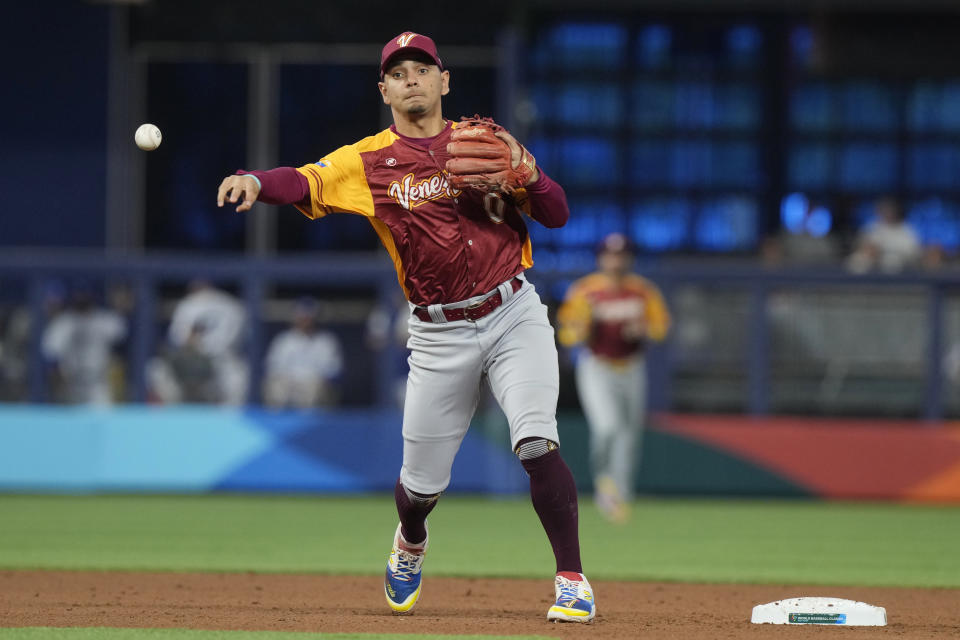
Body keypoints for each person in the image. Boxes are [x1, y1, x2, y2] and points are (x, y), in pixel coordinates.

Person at [216, 32, 595, 623]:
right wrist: (257, 181)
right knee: (419, 488)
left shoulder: (486, 143)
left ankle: (572, 580)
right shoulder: (366, 162)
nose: (411, 78)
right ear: (384, 89)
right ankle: (410, 540)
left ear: (445, 80)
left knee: (537, 441)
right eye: (399, 72)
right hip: (438, 334)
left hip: (513, 311)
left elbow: (558, 214)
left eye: (422, 68)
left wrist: (531, 174)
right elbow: (303, 180)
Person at [556, 233, 671, 523]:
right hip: (597, 365)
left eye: (621, 255)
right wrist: (586, 326)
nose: (616, 260)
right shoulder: (585, 291)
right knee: (607, 426)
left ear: (629, 258)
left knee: (629, 434)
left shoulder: (643, 291)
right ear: (601, 258)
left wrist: (644, 329)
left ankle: (621, 494)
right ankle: (605, 485)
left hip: (632, 365)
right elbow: (568, 334)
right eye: (610, 255)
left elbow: (661, 328)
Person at [167, 280, 248, 405]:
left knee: (239, 380)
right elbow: (179, 339)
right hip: (195, 359)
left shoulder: (190, 304)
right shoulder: (229, 303)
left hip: (222, 363)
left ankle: (228, 423)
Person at [41, 286, 126, 405]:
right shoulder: (64, 323)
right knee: (68, 421)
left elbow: (124, 336)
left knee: (103, 419)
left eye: (85, 296)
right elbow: (50, 352)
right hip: (71, 386)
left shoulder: (104, 320)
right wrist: (56, 375)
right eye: (79, 296)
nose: (82, 299)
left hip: (98, 384)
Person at [263, 298, 343, 409]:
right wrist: (291, 381)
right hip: (289, 383)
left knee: (313, 389)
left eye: (308, 316)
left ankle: (311, 425)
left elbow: (334, 371)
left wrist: (313, 380)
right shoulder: (284, 340)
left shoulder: (326, 341)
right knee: (277, 388)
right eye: (302, 316)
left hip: (314, 384)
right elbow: (273, 367)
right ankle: (276, 424)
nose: (305, 320)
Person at [846, 196, 922, 274]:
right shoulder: (873, 226)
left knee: (891, 262)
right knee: (857, 260)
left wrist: (882, 250)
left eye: (889, 210)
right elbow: (861, 244)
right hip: (873, 260)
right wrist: (869, 249)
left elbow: (912, 251)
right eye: (884, 209)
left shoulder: (906, 229)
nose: (887, 212)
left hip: (899, 262)